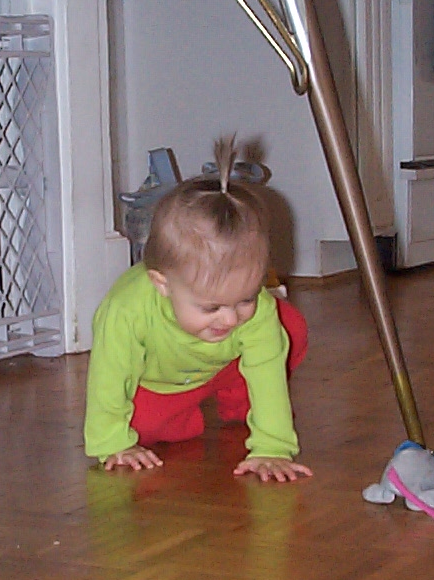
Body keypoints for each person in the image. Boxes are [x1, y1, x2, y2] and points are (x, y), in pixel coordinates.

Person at [83, 140, 310, 482]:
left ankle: (238, 400)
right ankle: (184, 409)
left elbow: (268, 371)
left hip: (223, 366)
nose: (230, 318)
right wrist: (113, 443)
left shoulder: (255, 310)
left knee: (287, 326)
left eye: (245, 298)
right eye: (211, 307)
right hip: (160, 382)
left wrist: (273, 448)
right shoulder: (126, 311)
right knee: (143, 429)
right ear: (162, 284)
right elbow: (109, 380)